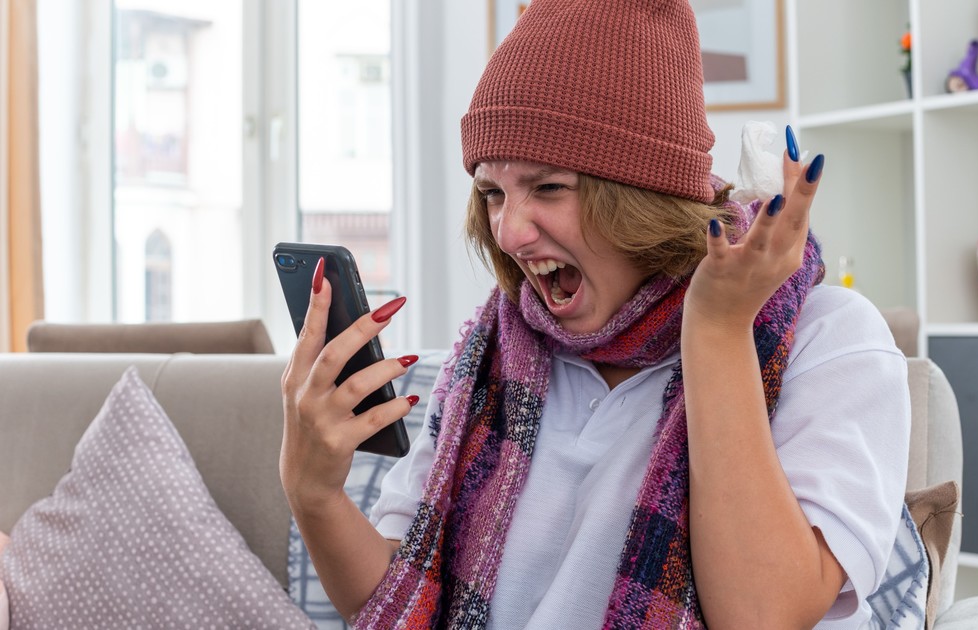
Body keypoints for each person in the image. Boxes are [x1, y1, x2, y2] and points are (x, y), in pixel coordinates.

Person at [279, 0, 911, 628]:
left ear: (645, 197)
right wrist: (314, 494)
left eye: (549, 187)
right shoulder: (492, 352)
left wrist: (717, 330)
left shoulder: (828, 339)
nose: (508, 233)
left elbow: (764, 615)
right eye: (492, 193)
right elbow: (397, 602)